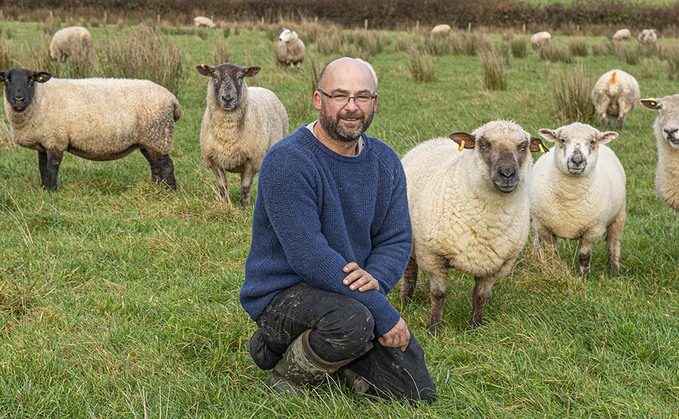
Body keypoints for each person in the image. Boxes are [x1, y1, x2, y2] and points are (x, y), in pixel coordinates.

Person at [239, 57, 436, 402]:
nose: (351, 107)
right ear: (319, 100)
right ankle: (282, 363)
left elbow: (396, 238)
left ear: (374, 102)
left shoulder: (385, 161)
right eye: (340, 96)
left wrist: (375, 280)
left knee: (415, 390)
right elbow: (308, 254)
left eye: (362, 97)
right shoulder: (288, 160)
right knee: (353, 321)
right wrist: (381, 311)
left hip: (348, 288)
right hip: (285, 291)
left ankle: (340, 358)